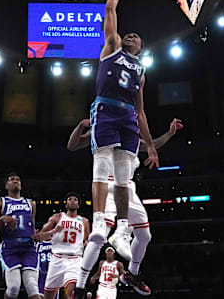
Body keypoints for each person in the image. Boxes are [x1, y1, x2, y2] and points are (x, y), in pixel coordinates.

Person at [69, 117, 182, 296]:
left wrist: (169, 133)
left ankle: (131, 274)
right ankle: (81, 285)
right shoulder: (105, 128)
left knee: (145, 236)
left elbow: (152, 144)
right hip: (107, 187)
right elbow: (73, 145)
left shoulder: (132, 136)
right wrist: (81, 125)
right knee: (99, 236)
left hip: (128, 189)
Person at [88, 0, 159, 260]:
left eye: (136, 37)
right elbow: (109, 11)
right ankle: (97, 222)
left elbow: (141, 111)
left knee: (123, 179)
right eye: (129, 33)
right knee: (101, 164)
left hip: (129, 118)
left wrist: (151, 146)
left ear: (141, 48)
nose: (131, 36)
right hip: (106, 109)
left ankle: (121, 229)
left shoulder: (141, 71)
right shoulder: (111, 48)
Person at [0, 173, 42, 299]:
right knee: (13, 288)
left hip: (28, 247)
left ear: (21, 185)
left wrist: (37, 235)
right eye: (12, 180)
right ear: (6, 185)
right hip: (10, 247)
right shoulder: (0, 202)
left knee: (33, 288)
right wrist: (2, 220)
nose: (15, 181)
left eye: (18, 180)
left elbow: (32, 227)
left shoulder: (30, 204)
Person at [33, 193, 90, 299]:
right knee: (48, 296)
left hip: (75, 259)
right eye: (70, 199)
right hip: (57, 259)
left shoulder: (84, 221)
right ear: (66, 204)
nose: (72, 201)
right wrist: (54, 231)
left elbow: (86, 241)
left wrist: (87, 244)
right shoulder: (57, 218)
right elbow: (39, 237)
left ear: (78, 205)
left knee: (72, 293)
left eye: (75, 200)